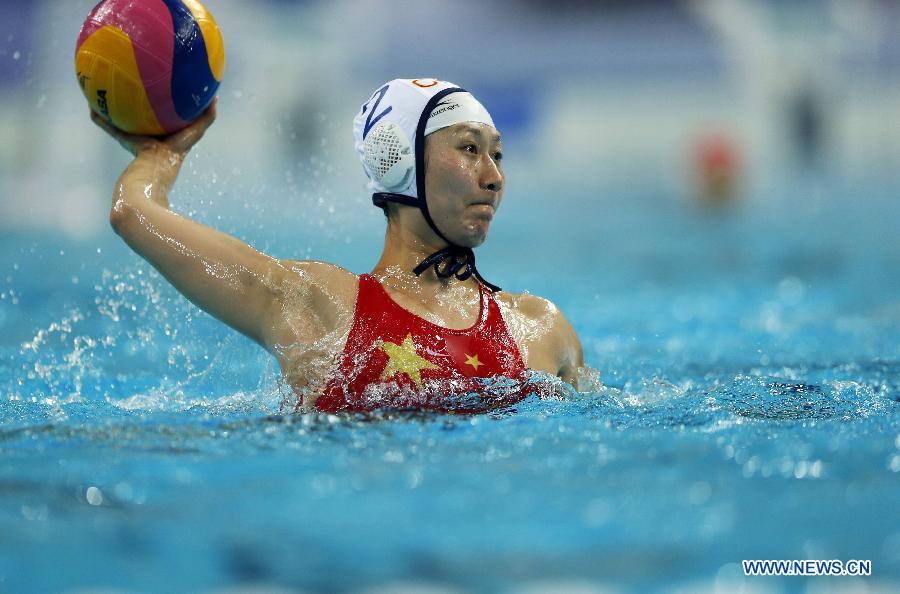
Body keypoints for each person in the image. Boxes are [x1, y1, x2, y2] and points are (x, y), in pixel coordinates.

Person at [93, 78, 584, 413]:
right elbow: (132, 213)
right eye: (470, 149)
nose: (494, 177)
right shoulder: (319, 305)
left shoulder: (540, 328)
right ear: (399, 162)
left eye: (497, 154)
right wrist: (161, 154)